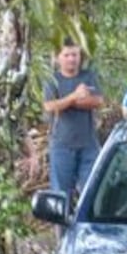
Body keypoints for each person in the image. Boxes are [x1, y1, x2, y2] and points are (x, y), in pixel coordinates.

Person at [42, 38, 104, 198]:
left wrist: (65, 103)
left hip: (88, 145)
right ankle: (62, 224)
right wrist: (74, 97)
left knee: (91, 192)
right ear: (58, 58)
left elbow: (97, 101)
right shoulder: (52, 80)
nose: (71, 59)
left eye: (75, 55)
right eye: (67, 55)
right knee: (61, 195)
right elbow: (49, 106)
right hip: (61, 145)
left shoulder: (88, 76)